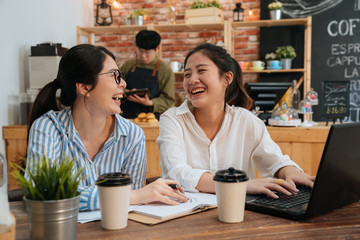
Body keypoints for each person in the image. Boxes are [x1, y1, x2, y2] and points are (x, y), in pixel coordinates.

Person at [26, 44, 187, 211]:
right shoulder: (47, 128)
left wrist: (132, 197)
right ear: (84, 86)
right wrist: (131, 196)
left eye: (121, 76)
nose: (123, 83)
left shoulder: (132, 135)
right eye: (114, 76)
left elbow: (130, 204)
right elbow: (41, 191)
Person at [157, 43, 315, 198]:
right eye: (187, 74)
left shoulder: (245, 120)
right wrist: (240, 185)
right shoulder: (172, 119)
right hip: (187, 218)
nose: (192, 80)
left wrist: (291, 172)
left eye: (201, 71)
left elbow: (274, 160)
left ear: (227, 78)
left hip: (240, 214)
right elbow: (176, 173)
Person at [120, 30, 175, 119]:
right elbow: (115, 85)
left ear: (157, 49)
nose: (143, 56)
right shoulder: (128, 65)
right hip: (126, 118)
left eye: (147, 53)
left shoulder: (165, 70)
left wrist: (150, 103)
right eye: (140, 51)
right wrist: (127, 93)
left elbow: (168, 100)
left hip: (151, 120)